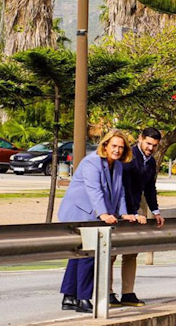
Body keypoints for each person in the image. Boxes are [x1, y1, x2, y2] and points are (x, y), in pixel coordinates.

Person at [57, 130, 146, 312]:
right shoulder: (92, 162)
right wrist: (103, 214)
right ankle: (83, 299)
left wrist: (123, 214)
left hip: (94, 213)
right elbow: (94, 190)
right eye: (114, 146)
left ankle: (69, 297)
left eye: (121, 147)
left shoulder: (118, 166)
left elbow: (119, 192)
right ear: (105, 145)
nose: (117, 150)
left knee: (79, 255)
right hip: (80, 212)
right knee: (89, 254)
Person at [111, 127, 164, 306]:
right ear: (140, 139)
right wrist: (127, 212)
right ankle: (108, 292)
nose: (150, 148)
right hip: (118, 209)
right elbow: (122, 187)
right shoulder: (128, 156)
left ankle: (128, 292)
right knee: (110, 253)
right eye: (148, 143)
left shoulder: (150, 162)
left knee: (131, 252)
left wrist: (155, 211)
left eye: (154, 145)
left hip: (134, 208)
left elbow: (149, 188)